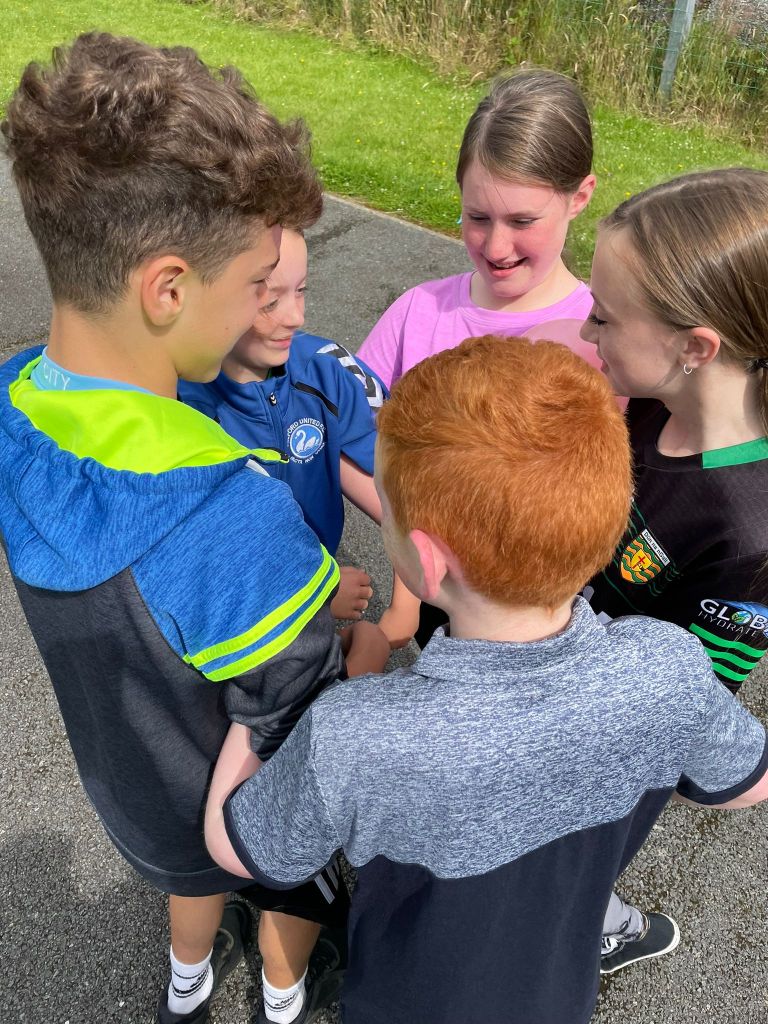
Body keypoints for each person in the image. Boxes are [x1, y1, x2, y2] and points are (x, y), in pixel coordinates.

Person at [205, 334, 768, 1024]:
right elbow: (748, 785)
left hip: (409, 1000)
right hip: (557, 992)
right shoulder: (668, 666)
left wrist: (257, 708)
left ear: (426, 563)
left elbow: (240, 847)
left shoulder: (354, 733)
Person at [0, 32, 368, 1024]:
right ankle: (285, 999)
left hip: (130, 791)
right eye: (254, 283)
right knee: (295, 885)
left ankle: (188, 984)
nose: (265, 308)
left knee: (187, 881)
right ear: (167, 289)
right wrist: (367, 639)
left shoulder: (13, 404)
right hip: (228, 810)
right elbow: (298, 722)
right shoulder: (227, 510)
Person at [580, 166, 768, 974]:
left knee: (574, 870)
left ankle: (600, 926)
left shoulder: (750, 529)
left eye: (604, 317)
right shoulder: (653, 403)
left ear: (696, 347)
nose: (585, 330)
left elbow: (697, 701)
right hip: (562, 663)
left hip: (614, 748)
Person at [357, 68, 599, 647]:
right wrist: (406, 599)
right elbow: (367, 447)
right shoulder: (417, 313)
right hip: (437, 603)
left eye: (522, 221)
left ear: (580, 198)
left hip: (551, 624)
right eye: (477, 217)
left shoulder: (602, 339)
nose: (496, 246)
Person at [179, 228, 407, 632]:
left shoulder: (329, 369)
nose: (296, 317)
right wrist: (315, 592)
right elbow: (198, 565)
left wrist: (405, 608)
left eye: (301, 290)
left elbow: (404, 493)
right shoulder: (180, 404)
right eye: (270, 301)